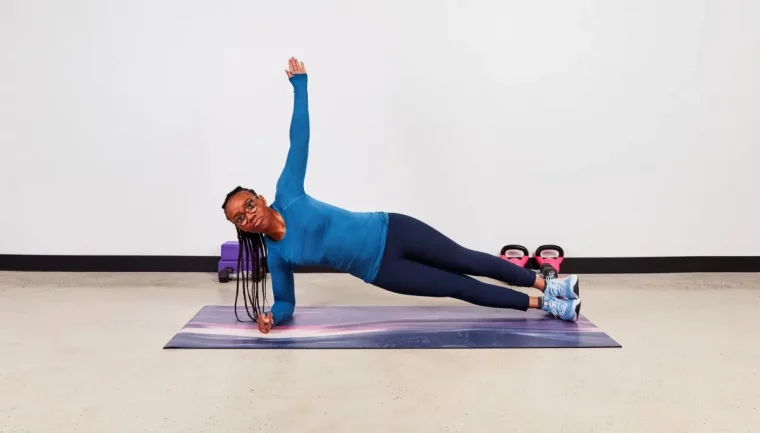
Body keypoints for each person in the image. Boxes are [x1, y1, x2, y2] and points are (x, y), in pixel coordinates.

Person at [222, 57, 582, 334]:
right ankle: (544, 304)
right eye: (239, 218)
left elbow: (299, 140)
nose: (248, 215)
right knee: (457, 287)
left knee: (465, 259)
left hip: (392, 229)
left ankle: (548, 282)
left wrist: (300, 87)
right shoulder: (278, 255)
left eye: (248, 205)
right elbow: (286, 301)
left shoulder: (289, 193)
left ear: (260, 197)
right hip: (381, 270)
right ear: (241, 228)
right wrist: (274, 316)